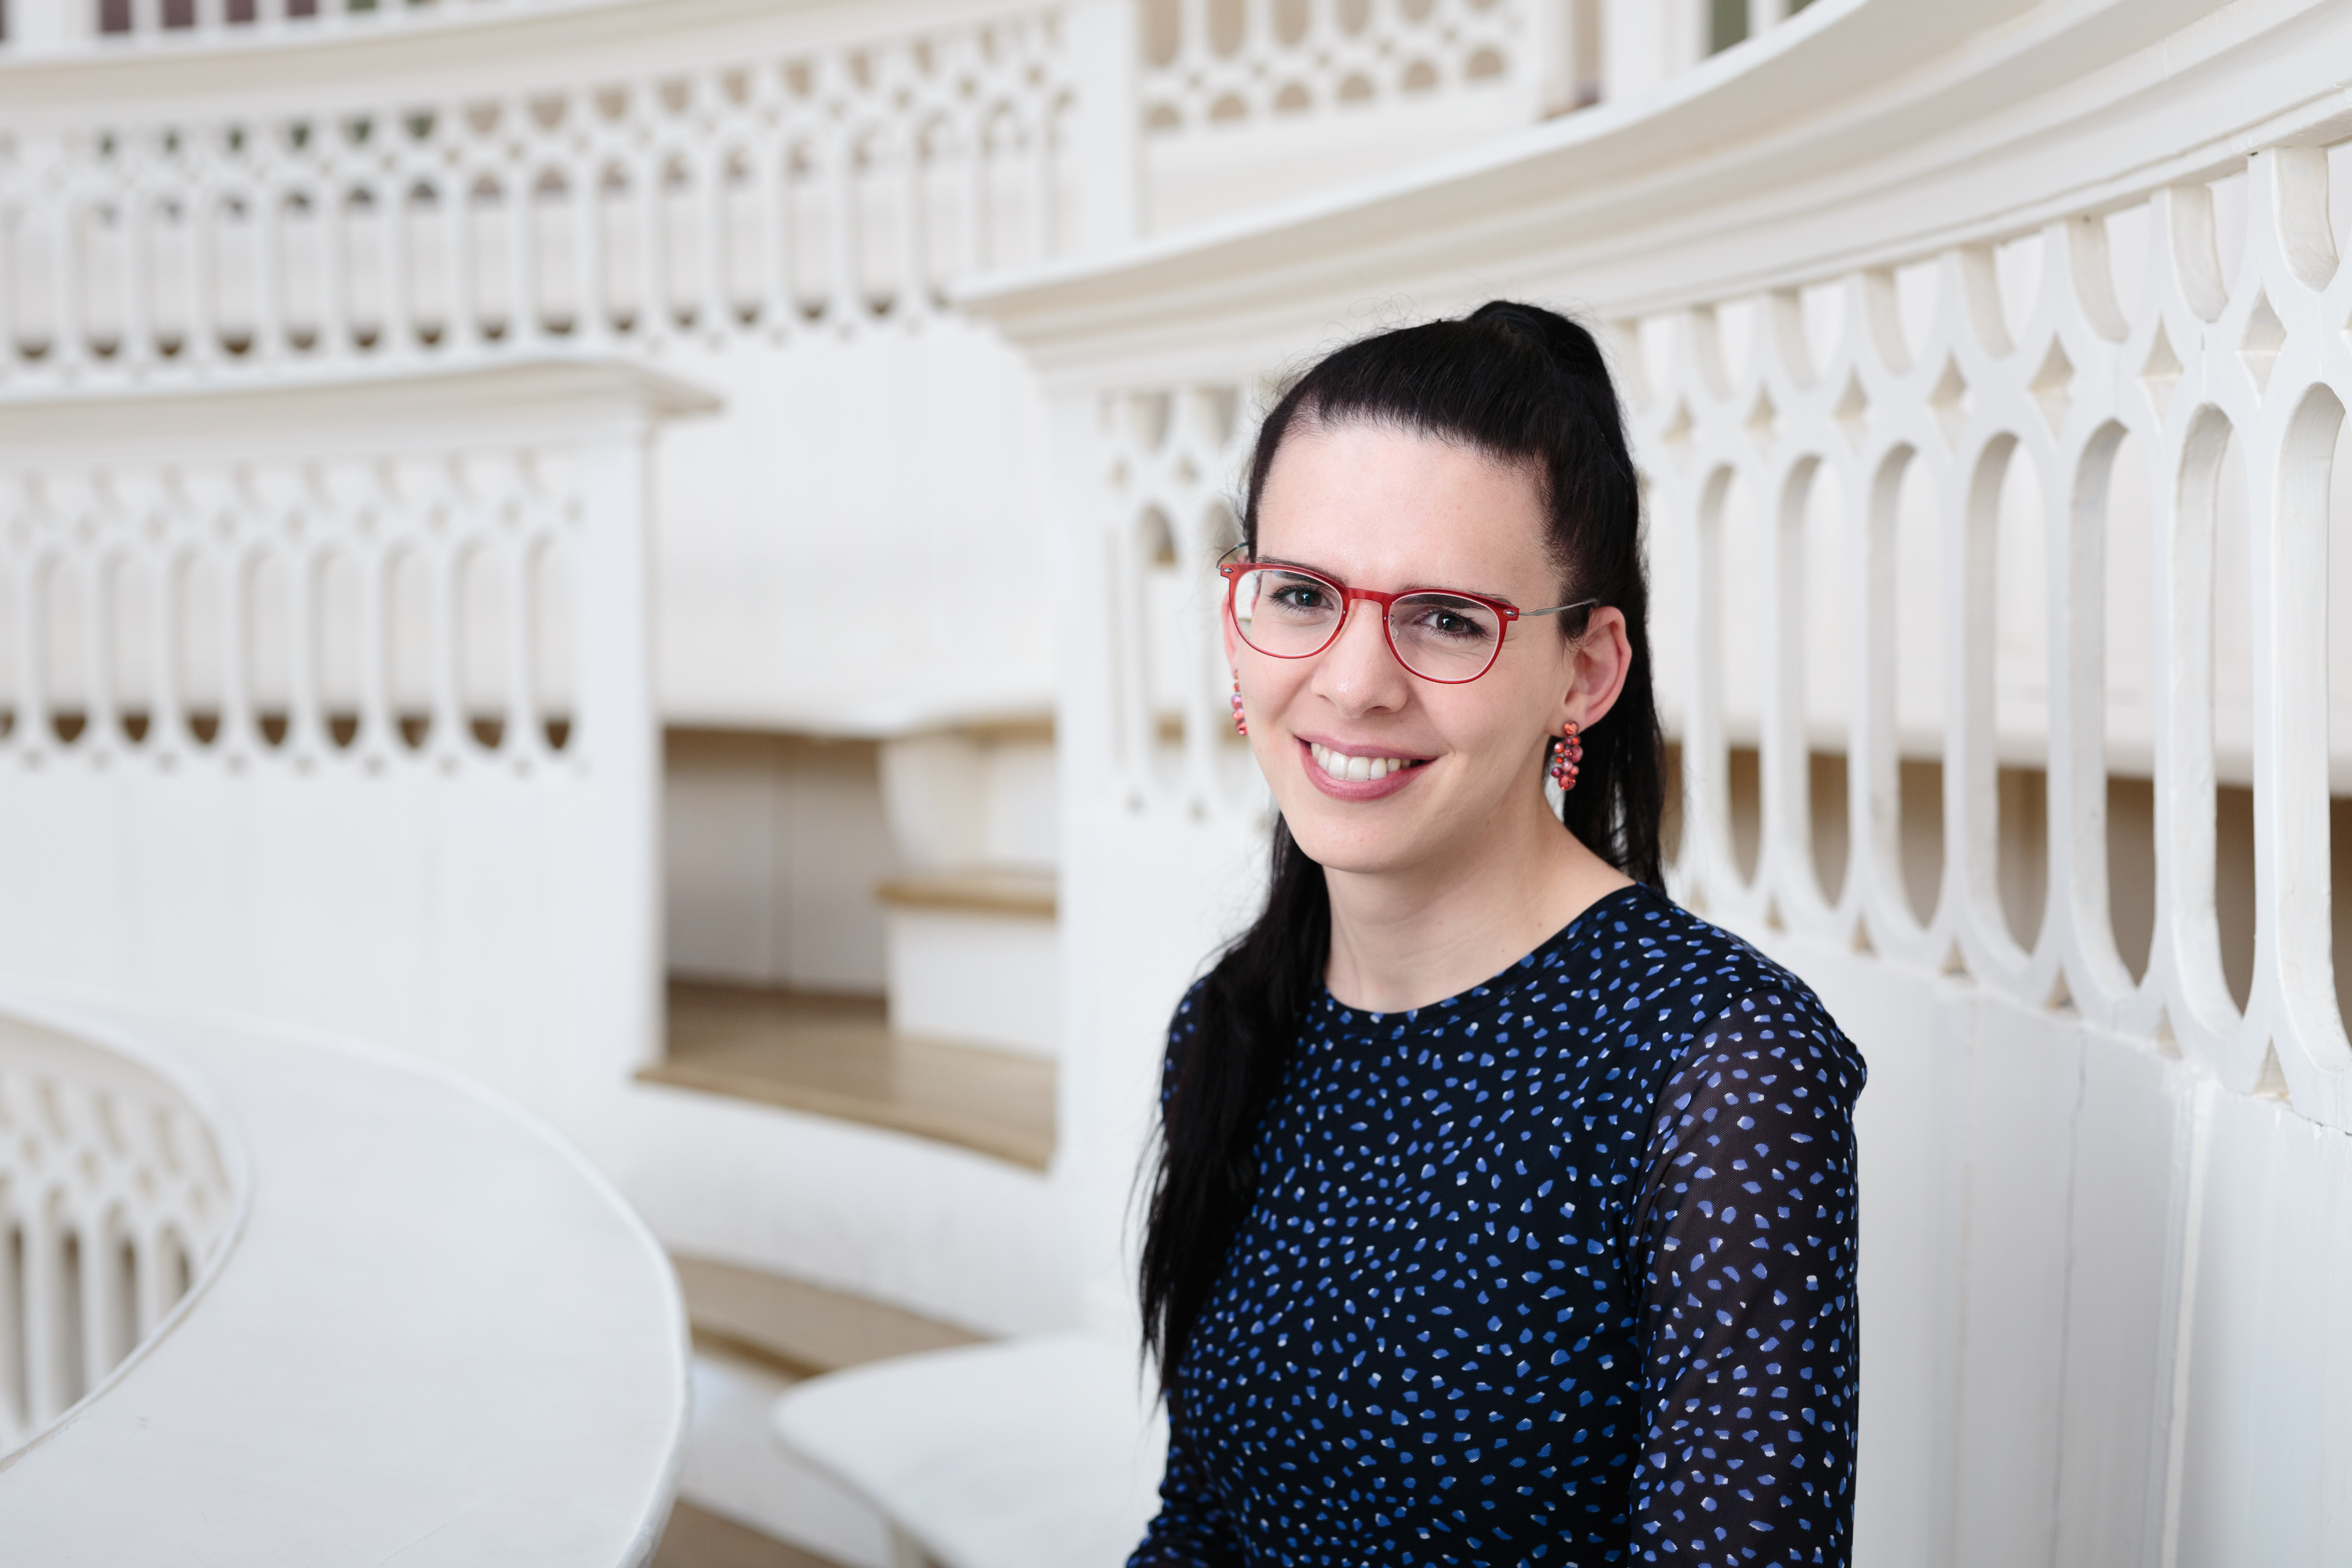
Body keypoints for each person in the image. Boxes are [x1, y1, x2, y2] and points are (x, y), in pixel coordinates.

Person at [1129, 302, 1865, 1567]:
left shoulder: (1723, 1071)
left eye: (1447, 618)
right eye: (1300, 594)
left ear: (1587, 670)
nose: (1355, 681)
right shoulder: (1234, 1024)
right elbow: (1203, 1527)